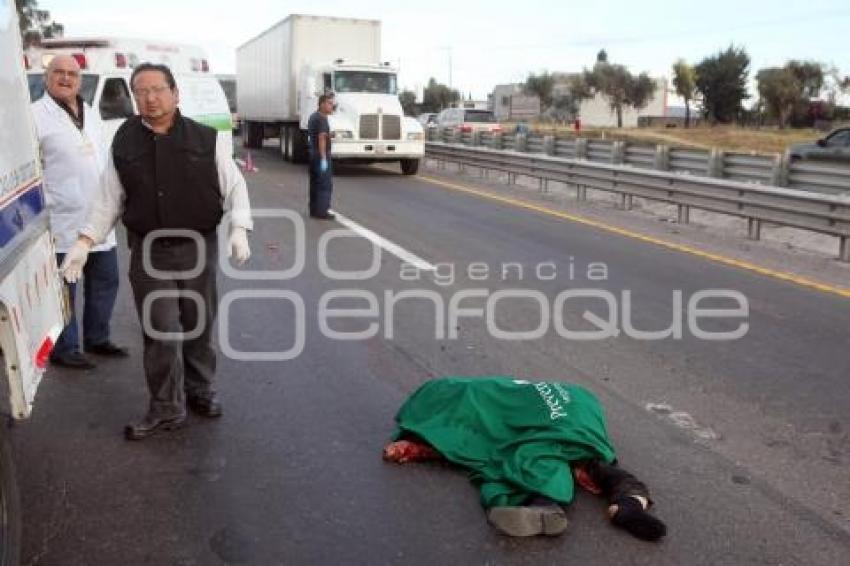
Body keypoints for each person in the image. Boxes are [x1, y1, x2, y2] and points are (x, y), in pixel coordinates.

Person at [60, 63, 253, 440]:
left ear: (175, 93)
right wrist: (84, 242)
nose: (150, 98)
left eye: (157, 89)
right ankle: (166, 406)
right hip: (150, 252)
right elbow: (108, 199)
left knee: (199, 323)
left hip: (198, 246)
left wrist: (240, 228)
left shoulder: (205, 138)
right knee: (160, 328)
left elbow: (236, 186)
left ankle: (200, 390)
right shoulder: (125, 141)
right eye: (141, 91)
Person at [383, 376, 667, 541]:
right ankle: (549, 505)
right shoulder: (587, 447)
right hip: (575, 415)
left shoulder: (584, 449)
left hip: (577, 418)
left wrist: (629, 509)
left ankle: (549, 505)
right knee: (544, 452)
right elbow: (492, 403)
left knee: (535, 453)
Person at [31, 54, 128, 370]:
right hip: (62, 219)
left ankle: (97, 339)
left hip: (98, 217)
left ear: (80, 79)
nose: (65, 78)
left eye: (72, 73)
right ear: (47, 77)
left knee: (106, 281)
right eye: (58, 72)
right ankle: (65, 347)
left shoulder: (89, 111)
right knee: (64, 288)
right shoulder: (35, 116)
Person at [307, 93, 335, 220]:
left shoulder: (313, 116)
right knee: (324, 184)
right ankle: (322, 211)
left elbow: (318, 135)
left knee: (314, 183)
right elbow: (321, 138)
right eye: (329, 103)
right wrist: (324, 158)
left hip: (313, 154)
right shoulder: (322, 118)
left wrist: (329, 135)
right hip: (321, 155)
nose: (332, 106)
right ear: (322, 104)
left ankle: (313, 209)